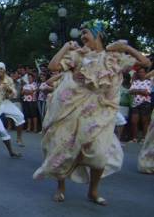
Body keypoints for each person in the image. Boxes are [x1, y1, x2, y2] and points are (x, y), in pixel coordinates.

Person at [33, 19, 151, 206]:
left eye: (86, 32)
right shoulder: (78, 55)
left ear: (98, 34)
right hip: (71, 109)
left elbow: (145, 62)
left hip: (99, 113)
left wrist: (125, 48)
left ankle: (93, 191)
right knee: (62, 147)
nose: (82, 36)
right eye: (81, 34)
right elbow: (53, 67)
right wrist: (65, 47)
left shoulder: (113, 58)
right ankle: (61, 187)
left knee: (99, 154)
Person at [0, 62, 26, 146]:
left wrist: (9, 90)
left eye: (1, 68)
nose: (0, 70)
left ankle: (19, 138)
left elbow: (14, 94)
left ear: (4, 70)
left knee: (20, 116)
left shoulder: (9, 80)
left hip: (6, 102)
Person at [129, 67, 152, 143]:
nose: (141, 73)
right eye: (139, 72)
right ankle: (134, 138)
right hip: (135, 103)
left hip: (145, 103)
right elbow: (131, 91)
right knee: (134, 121)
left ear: (145, 73)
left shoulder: (149, 81)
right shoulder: (135, 82)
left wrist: (136, 90)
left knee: (144, 122)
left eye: (142, 72)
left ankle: (143, 138)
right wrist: (141, 91)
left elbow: (147, 93)